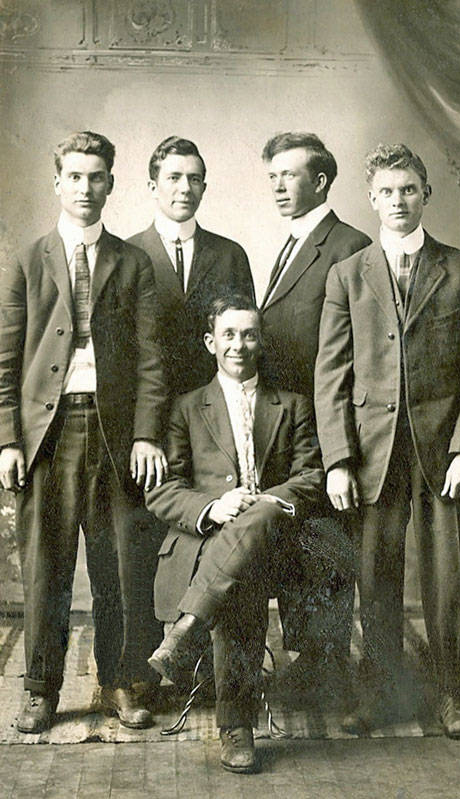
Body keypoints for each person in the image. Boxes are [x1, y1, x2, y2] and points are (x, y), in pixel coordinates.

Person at [315, 143, 460, 738]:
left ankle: (453, 695)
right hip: (371, 452)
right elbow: (331, 375)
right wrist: (339, 460)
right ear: (371, 199)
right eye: (387, 192)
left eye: (409, 190)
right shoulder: (348, 274)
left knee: (451, 577)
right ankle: (382, 693)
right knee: (375, 575)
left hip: (445, 450)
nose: (398, 201)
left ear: (426, 195)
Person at [0, 131, 168, 733]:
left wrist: (147, 435)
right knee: (46, 567)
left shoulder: (132, 262)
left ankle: (120, 679)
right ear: (57, 183)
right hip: (47, 434)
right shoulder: (28, 259)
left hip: (115, 434)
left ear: (112, 184)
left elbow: (152, 360)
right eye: (75, 176)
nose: (86, 188)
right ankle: (41, 687)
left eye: (96, 177)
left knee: (120, 567)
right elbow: (5, 358)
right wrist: (7, 440)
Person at [145, 295, 324, 773]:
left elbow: (310, 476)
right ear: (211, 342)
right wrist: (213, 506)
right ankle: (236, 724)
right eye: (229, 335)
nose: (239, 345)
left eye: (248, 334)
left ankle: (190, 629)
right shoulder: (186, 408)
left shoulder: (292, 405)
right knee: (241, 570)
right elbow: (162, 490)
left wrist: (260, 503)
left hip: (278, 538)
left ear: (261, 341)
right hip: (207, 539)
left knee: (257, 529)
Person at [260, 132, 371, 686]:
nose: (278, 186)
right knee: (297, 543)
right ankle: (310, 660)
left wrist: (339, 445)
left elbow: (357, 353)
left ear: (321, 180)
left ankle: (326, 665)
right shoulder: (289, 243)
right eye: (273, 176)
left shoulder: (349, 245)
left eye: (290, 175)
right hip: (288, 424)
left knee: (325, 543)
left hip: (329, 423)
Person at [128, 136, 255, 395]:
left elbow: (248, 336)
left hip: (215, 406)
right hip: (147, 405)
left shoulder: (230, 255)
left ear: (204, 188)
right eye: (174, 178)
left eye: (194, 179)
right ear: (153, 187)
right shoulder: (126, 255)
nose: (185, 188)